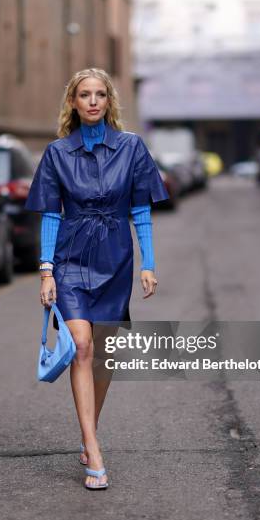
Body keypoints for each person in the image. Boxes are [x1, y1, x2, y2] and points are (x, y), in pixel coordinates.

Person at [24, 68, 169, 490]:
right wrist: (46, 269)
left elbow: (140, 210)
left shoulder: (131, 148)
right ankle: (93, 446)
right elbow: (52, 213)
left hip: (115, 259)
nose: (92, 101)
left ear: (109, 101)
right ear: (72, 101)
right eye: (84, 94)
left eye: (99, 95)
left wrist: (148, 263)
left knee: (103, 355)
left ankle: (89, 431)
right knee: (81, 346)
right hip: (70, 258)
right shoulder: (56, 153)